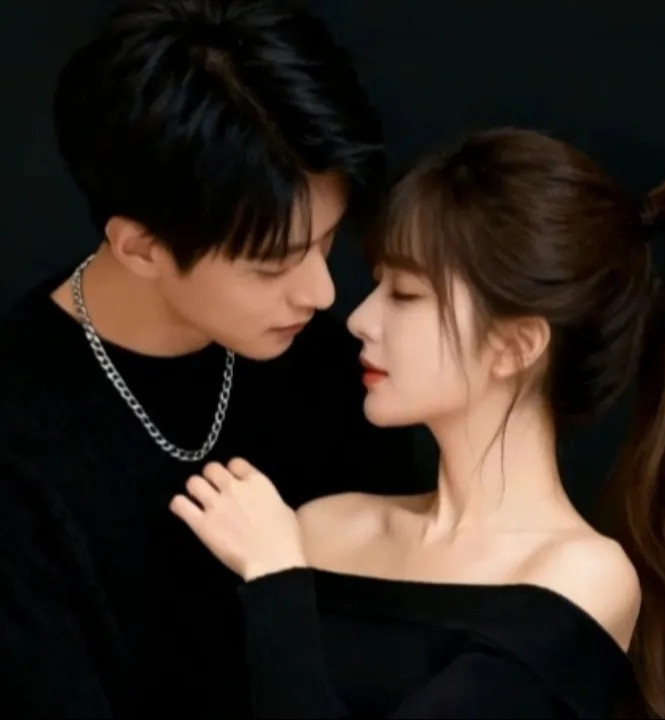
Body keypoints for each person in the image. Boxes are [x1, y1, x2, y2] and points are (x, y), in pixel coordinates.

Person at [173, 127, 665, 719]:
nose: (359, 318)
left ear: (515, 346)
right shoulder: (323, 526)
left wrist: (276, 580)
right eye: (377, 283)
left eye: (406, 294)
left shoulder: (582, 576)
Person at [0, 0, 426, 717]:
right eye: (273, 265)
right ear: (140, 248)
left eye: (327, 243)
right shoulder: (20, 443)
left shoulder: (334, 369)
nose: (323, 294)